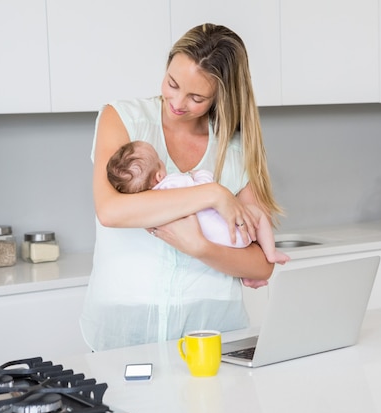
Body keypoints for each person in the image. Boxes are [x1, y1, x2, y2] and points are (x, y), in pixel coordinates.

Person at [80, 23, 284, 351]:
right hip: (124, 329)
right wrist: (214, 194)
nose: (177, 102)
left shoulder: (231, 146)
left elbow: (261, 264)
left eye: (197, 97)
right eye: (172, 84)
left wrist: (201, 247)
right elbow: (111, 210)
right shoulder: (123, 118)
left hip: (213, 332)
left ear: (221, 95)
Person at [106, 140, 290, 265]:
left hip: (215, 243)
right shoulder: (175, 183)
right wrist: (199, 174)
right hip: (234, 234)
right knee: (256, 215)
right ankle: (270, 253)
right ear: (159, 175)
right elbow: (206, 186)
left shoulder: (150, 212)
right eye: (160, 161)